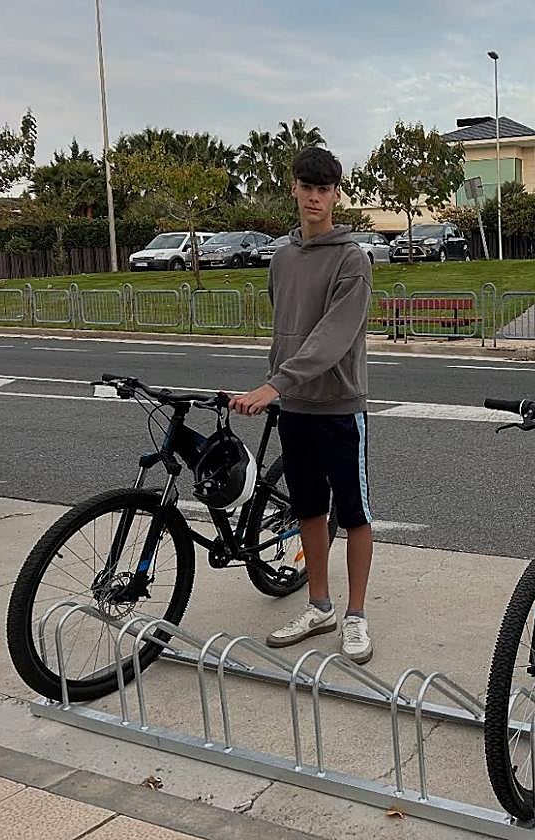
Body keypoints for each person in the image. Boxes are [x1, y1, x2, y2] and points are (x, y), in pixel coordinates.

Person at [231, 146, 377, 664]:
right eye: (307, 187)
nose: (315, 197)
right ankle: (320, 605)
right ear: (292, 188)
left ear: (336, 194)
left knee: (354, 513)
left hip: (339, 406)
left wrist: (276, 383)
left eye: (325, 189)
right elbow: (285, 326)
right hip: (295, 408)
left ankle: (356, 616)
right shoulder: (283, 257)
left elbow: (332, 336)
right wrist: (278, 386)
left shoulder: (351, 259)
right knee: (309, 509)